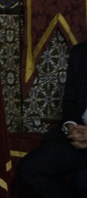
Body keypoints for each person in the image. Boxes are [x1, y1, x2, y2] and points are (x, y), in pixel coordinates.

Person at [17, 40, 87, 197]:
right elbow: (70, 101)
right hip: (79, 137)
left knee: (82, 180)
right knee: (29, 169)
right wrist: (71, 126)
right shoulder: (80, 52)